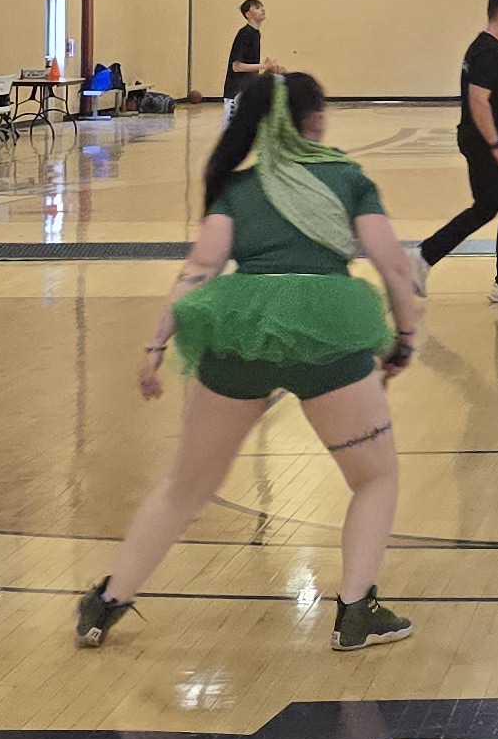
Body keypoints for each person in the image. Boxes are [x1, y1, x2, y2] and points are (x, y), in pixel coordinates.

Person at [77, 71, 429, 653]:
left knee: (185, 487)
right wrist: (406, 338)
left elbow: (199, 269)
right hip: (329, 329)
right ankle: (355, 612)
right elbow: (393, 265)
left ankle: (107, 603)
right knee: (375, 477)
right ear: (313, 119)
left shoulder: (238, 189)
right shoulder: (348, 178)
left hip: (240, 331)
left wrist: (156, 344)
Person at [418, 0, 498, 303]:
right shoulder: (489, 51)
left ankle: (422, 258)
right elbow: (478, 100)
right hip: (487, 140)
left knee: (488, 207)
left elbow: (487, 94)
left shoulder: (481, 48)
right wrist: (496, 143)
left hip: (477, 138)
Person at [223, 0, 267, 104]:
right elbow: (236, 67)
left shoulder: (255, 33)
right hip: (236, 93)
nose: (263, 10)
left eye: (262, 7)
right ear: (248, 14)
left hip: (247, 90)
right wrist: (264, 66)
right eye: (257, 8)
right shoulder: (245, 34)